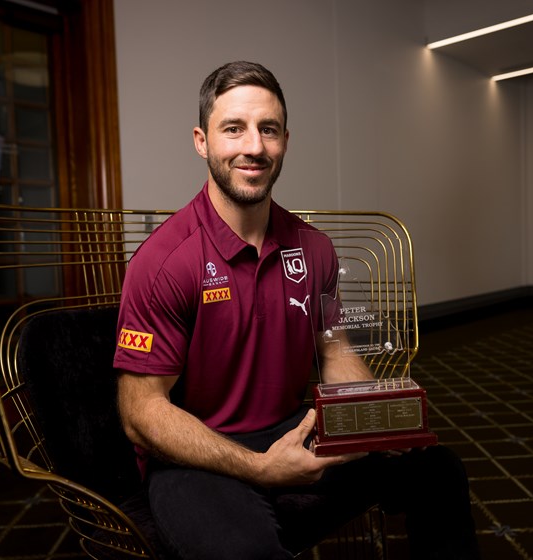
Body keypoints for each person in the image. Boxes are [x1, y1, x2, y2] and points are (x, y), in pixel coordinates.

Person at [114, 60, 480, 560]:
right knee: (245, 550)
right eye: (233, 129)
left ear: (285, 140)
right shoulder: (163, 262)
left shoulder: (314, 248)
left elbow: (333, 351)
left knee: (438, 470)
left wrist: (374, 418)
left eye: (268, 129)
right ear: (202, 141)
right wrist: (259, 467)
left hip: (294, 430)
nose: (254, 146)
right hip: (196, 455)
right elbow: (140, 412)